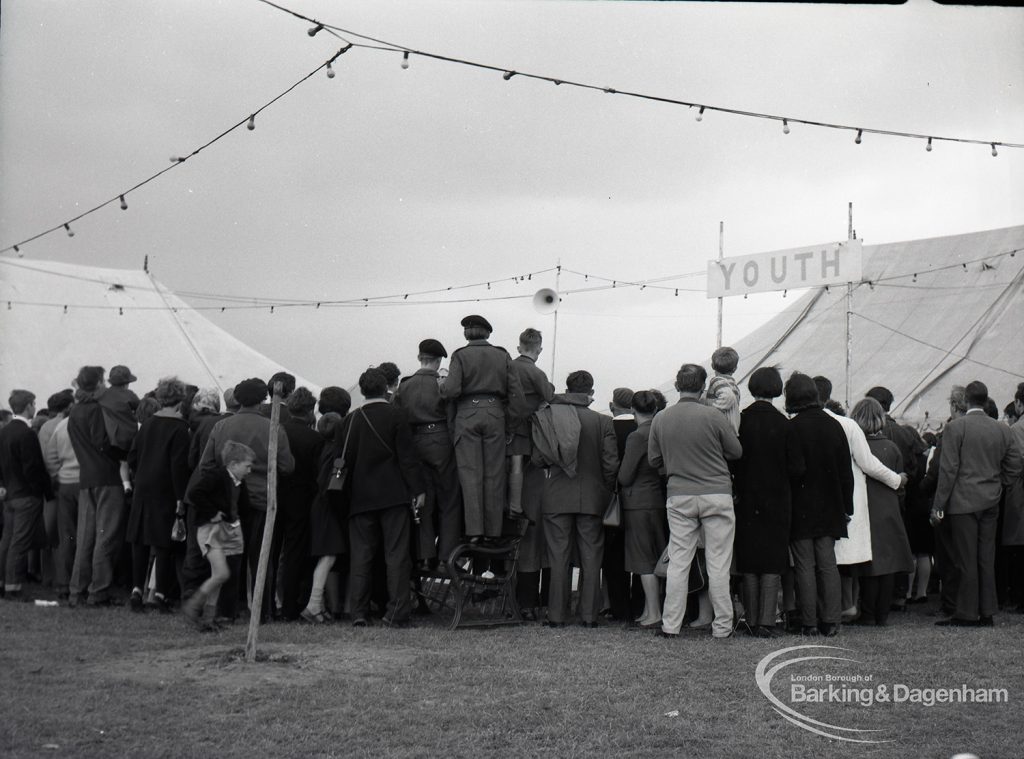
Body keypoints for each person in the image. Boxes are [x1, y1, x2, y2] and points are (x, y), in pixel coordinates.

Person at [649, 363, 742, 639]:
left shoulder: (661, 418)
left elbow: (654, 460)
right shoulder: (713, 416)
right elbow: (736, 451)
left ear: (677, 386)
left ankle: (670, 625)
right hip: (717, 493)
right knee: (718, 562)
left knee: (679, 561)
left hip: (679, 494)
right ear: (703, 387)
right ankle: (722, 626)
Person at [198, 377, 295, 622]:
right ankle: (263, 613)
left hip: (230, 500)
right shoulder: (273, 427)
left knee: (231, 557)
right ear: (263, 399)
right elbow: (287, 466)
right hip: (262, 499)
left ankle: (226, 612)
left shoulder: (221, 427)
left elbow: (206, 464)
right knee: (261, 558)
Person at [931, 381, 1022, 627]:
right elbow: (1015, 463)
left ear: (967, 400)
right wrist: (1000, 483)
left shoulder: (956, 428)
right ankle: (987, 610)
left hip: (962, 502)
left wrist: (938, 505)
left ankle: (967, 612)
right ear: (985, 399)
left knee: (965, 558)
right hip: (991, 499)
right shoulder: (1002, 429)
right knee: (985, 557)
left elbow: (948, 470)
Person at [531, 370, 618, 627]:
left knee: (558, 556)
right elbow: (611, 464)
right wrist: (606, 490)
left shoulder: (549, 417)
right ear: (591, 391)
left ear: (567, 390)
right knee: (592, 557)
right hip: (592, 497)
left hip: (556, 495)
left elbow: (538, 459)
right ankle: (589, 616)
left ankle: (556, 615)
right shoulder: (603, 422)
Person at [814, 376, 906, 620]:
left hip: (814, 498)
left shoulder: (798, 422)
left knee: (820, 559)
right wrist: (897, 480)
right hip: (852, 499)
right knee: (848, 559)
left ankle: (821, 610)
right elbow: (868, 464)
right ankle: (848, 608)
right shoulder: (848, 426)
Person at [341, 368, 425, 627]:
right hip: (393, 495)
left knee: (362, 556)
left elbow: (346, 461)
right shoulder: (397, 416)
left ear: (363, 390)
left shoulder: (351, 420)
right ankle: (397, 610)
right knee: (397, 555)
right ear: (386, 388)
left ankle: (358, 611)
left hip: (360, 496)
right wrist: (418, 490)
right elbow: (407, 458)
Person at [734, 367, 805, 637]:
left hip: (746, 498)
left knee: (749, 560)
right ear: (777, 389)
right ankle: (766, 620)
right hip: (778, 499)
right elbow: (797, 468)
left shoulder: (741, 421)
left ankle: (751, 618)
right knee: (773, 561)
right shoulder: (785, 424)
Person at [440, 314, 524, 538]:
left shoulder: (460, 355)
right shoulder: (502, 355)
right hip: (495, 414)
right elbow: (517, 396)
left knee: (470, 474)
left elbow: (451, 391)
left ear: (467, 333)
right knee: (494, 475)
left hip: (467, 415)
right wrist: (510, 424)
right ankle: (493, 532)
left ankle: (474, 531)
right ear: (487, 333)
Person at [785, 372, 854, 637]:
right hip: (830, 504)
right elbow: (845, 472)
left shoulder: (792, 427)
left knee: (804, 565)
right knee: (828, 563)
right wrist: (847, 507)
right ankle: (832, 621)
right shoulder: (834, 425)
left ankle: (809, 622)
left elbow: (792, 470)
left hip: (801, 504)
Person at [392, 339, 460, 570]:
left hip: (414, 442)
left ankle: (424, 555)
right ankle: (446, 558)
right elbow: (452, 414)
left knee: (423, 501)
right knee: (449, 501)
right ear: (439, 360)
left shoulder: (405, 386)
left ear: (420, 358)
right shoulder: (443, 384)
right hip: (441, 440)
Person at [126, 377, 192, 612]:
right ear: (181, 399)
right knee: (163, 543)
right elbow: (178, 467)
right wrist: (180, 498)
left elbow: (132, 458)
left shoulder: (147, 425)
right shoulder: (180, 429)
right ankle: (160, 594)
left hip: (143, 488)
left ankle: (136, 590)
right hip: (166, 490)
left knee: (140, 542)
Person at [67, 366, 129, 606]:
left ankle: (77, 590)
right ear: (98, 383)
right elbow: (103, 442)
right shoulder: (96, 410)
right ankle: (98, 591)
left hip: (86, 478)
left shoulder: (75, 411)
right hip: (107, 476)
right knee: (106, 536)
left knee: (85, 536)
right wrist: (121, 453)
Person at [849, 398, 914, 626]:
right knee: (889, 564)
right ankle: (882, 615)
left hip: (866, 508)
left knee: (869, 564)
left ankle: (867, 614)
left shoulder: (856, 446)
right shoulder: (892, 448)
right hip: (889, 508)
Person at [505, 328, 555, 619]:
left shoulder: (509, 366)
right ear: (538, 347)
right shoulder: (533, 370)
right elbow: (548, 395)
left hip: (508, 435)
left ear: (519, 345)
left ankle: (513, 504)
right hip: (528, 434)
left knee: (514, 468)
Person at [181, 441, 254, 631]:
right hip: (210, 530)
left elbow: (242, 507)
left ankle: (208, 617)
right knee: (221, 573)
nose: (249, 470)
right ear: (233, 464)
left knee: (219, 577)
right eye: (247, 466)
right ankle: (193, 605)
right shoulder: (216, 477)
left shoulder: (239, 482)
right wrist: (212, 512)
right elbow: (195, 493)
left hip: (227, 530)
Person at [617, 390, 668, 628]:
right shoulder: (661, 431)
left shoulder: (636, 436)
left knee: (643, 559)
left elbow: (625, 475)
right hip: (657, 500)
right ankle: (651, 609)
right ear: (655, 409)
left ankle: (654, 613)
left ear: (632, 410)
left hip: (637, 502)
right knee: (656, 556)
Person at [276, 387, 326, 621]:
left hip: (276, 497)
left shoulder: (277, 431)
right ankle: (289, 606)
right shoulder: (315, 439)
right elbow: (318, 475)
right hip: (302, 500)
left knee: (273, 552)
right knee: (295, 553)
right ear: (309, 410)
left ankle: (268, 605)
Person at [0, 390, 52, 600]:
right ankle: (13, 587)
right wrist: (42, 490)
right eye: (33, 404)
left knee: (7, 540)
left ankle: (3, 582)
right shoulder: (27, 433)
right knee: (20, 543)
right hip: (26, 495)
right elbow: (33, 468)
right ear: (29, 405)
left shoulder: (3, 432)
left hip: (10, 494)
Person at [603, 386, 638, 622]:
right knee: (641, 554)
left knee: (613, 555)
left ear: (612, 405)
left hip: (611, 499)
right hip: (640, 498)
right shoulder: (642, 428)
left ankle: (618, 607)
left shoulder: (607, 428)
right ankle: (639, 605)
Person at [42, 391, 80, 600]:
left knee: (66, 535)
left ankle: (63, 583)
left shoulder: (61, 425)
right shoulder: (90, 422)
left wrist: (58, 473)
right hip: (85, 482)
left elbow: (51, 456)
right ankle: (80, 582)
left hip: (64, 482)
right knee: (86, 535)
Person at [705, 346, 741, 434]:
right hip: (731, 430)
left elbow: (728, 397)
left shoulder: (717, 381)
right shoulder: (733, 385)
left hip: (720, 429)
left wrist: (711, 412)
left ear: (712, 366)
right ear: (735, 369)